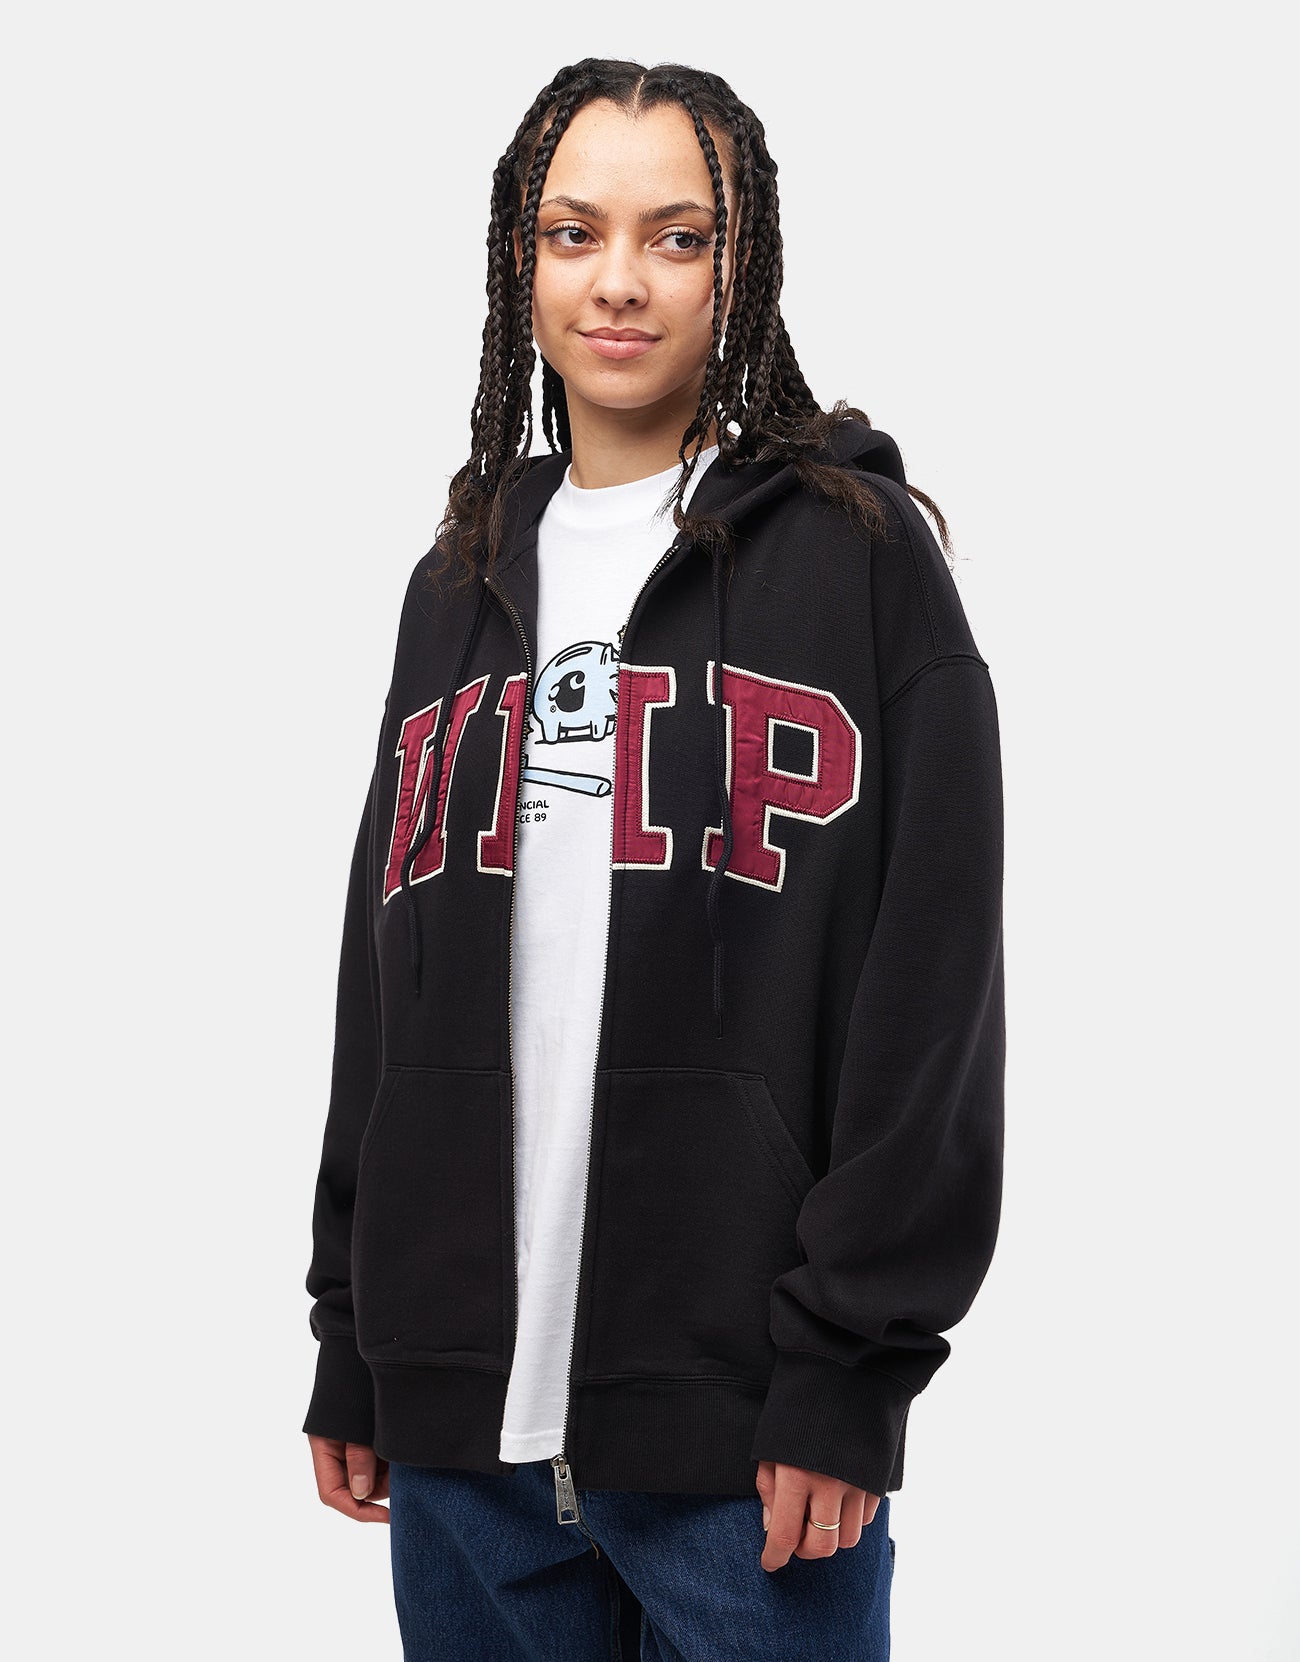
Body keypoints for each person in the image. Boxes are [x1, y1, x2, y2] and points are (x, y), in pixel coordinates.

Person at [302, 56, 1005, 1662]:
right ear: (520, 262)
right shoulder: (456, 583)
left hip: (745, 1444)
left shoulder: (859, 560)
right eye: (575, 232)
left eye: (678, 237)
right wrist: (355, 1330)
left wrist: (848, 1368)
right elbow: (379, 984)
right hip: (462, 1442)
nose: (619, 281)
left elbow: (933, 993)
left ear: (741, 267)